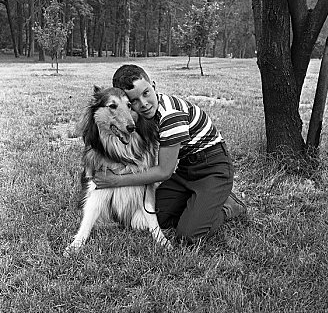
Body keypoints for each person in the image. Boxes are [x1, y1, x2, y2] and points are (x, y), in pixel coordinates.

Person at [94, 64, 246, 244]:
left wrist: (116, 181)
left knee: (189, 235)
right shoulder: (145, 115)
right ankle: (199, 202)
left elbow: (164, 171)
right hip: (186, 171)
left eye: (146, 93)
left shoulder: (171, 115)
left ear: (154, 86)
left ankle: (230, 205)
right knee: (157, 215)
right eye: (134, 101)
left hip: (213, 168)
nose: (143, 104)